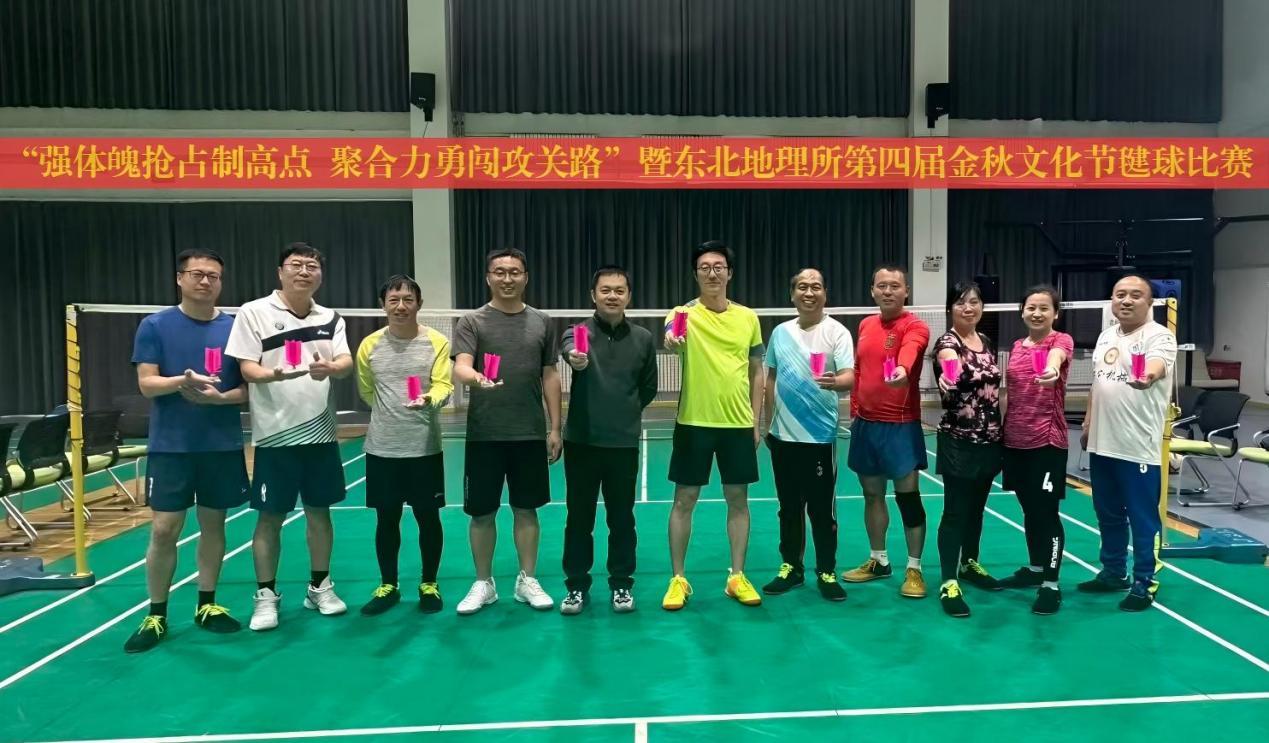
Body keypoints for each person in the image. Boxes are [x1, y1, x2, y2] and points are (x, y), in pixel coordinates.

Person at [124, 249, 250, 653]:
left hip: (220, 445)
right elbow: (147, 384)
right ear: (180, 278)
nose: (206, 281)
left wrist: (220, 398)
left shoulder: (235, 327)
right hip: (171, 447)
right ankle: (156, 613)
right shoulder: (155, 325)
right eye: (197, 274)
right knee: (164, 529)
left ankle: (207, 604)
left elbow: (247, 389)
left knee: (214, 526)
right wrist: (183, 380)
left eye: (214, 275)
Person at [226, 242, 354, 631]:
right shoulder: (253, 312)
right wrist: (275, 374)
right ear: (280, 271)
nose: (304, 271)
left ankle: (320, 587)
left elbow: (346, 362)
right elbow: (247, 369)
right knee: (270, 518)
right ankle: (266, 595)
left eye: (312, 265)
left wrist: (332, 368)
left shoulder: (330, 317)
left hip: (321, 435)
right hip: (275, 436)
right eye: (296, 265)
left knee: (320, 513)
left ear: (320, 274)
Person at [451, 248, 560, 615]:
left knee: (526, 510)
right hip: (485, 434)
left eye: (515, 272)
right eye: (500, 272)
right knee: (481, 513)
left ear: (525, 277)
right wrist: (476, 378)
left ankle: (527, 579)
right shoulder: (472, 321)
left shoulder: (542, 322)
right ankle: (484, 583)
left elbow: (550, 375)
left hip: (528, 433)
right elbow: (461, 366)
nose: (507, 278)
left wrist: (555, 427)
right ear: (489, 277)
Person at [661, 240, 766, 610]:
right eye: (704, 267)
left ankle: (737, 576)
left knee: (738, 500)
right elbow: (672, 337)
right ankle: (678, 579)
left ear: (729, 273)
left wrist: (756, 420)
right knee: (684, 500)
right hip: (694, 422)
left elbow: (757, 370)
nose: (712, 272)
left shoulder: (748, 318)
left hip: (737, 424)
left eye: (718, 266)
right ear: (696, 274)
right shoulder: (683, 313)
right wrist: (673, 337)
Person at [558, 265, 658, 615]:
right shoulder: (578, 332)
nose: (612, 296)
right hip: (582, 443)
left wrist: (624, 412)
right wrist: (575, 358)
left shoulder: (643, 338)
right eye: (605, 290)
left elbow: (649, 386)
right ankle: (576, 587)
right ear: (593, 295)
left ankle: (621, 584)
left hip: (623, 444)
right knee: (579, 519)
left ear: (628, 296)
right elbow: (570, 348)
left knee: (622, 519)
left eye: (619, 290)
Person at [355, 275, 453, 615]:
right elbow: (367, 390)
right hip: (382, 449)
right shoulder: (369, 345)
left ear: (419, 304)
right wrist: (389, 415)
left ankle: (429, 583)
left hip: (424, 448)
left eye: (408, 299)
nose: (401, 306)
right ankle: (389, 585)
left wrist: (429, 399)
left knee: (428, 518)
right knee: (386, 520)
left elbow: (444, 385)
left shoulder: (437, 341)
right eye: (393, 300)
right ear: (383, 305)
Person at [1081, 274, 1176, 611]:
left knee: (1142, 519)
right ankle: (1113, 572)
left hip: (1137, 447)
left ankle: (1145, 581)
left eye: (1136, 295)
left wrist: (1147, 376)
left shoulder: (1159, 336)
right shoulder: (1106, 336)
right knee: (1107, 514)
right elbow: (1097, 383)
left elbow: (1156, 366)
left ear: (1149, 302)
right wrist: (1088, 423)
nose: (1126, 300)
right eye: (1120, 294)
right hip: (1102, 444)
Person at [759, 268, 853, 602]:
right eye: (802, 287)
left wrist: (835, 382)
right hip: (782, 438)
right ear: (792, 294)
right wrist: (767, 425)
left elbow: (849, 376)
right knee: (788, 507)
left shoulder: (837, 332)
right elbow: (770, 378)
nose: (809, 292)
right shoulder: (780, 332)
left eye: (815, 286)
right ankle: (791, 567)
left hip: (819, 438)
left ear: (825, 293)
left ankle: (826, 570)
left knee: (822, 510)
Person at [842, 264, 931, 599]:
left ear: (906, 291)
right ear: (872, 291)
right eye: (882, 285)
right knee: (872, 495)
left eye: (895, 285)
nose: (888, 291)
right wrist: (854, 411)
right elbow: (859, 370)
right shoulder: (865, 325)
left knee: (908, 498)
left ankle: (914, 568)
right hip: (866, 425)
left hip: (900, 425)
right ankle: (878, 560)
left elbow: (911, 349)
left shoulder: (915, 326)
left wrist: (903, 369)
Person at [999, 284, 1074, 615]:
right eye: (1031, 307)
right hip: (1015, 441)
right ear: (1022, 311)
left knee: (1046, 513)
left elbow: (1057, 359)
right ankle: (1035, 568)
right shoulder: (1017, 347)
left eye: (1045, 308)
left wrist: (1052, 369)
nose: (1037, 313)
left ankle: (1051, 584)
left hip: (1047, 442)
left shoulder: (1061, 341)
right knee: (1029, 510)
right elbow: (1009, 393)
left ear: (1055, 313)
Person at [932, 281, 1004, 617]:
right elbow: (950, 366)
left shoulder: (986, 341)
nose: (968, 308)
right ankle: (949, 581)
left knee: (976, 509)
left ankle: (969, 562)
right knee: (956, 511)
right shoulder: (947, 343)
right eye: (961, 302)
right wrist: (949, 376)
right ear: (951, 308)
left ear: (982, 307)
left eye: (974, 302)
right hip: (958, 441)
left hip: (989, 440)